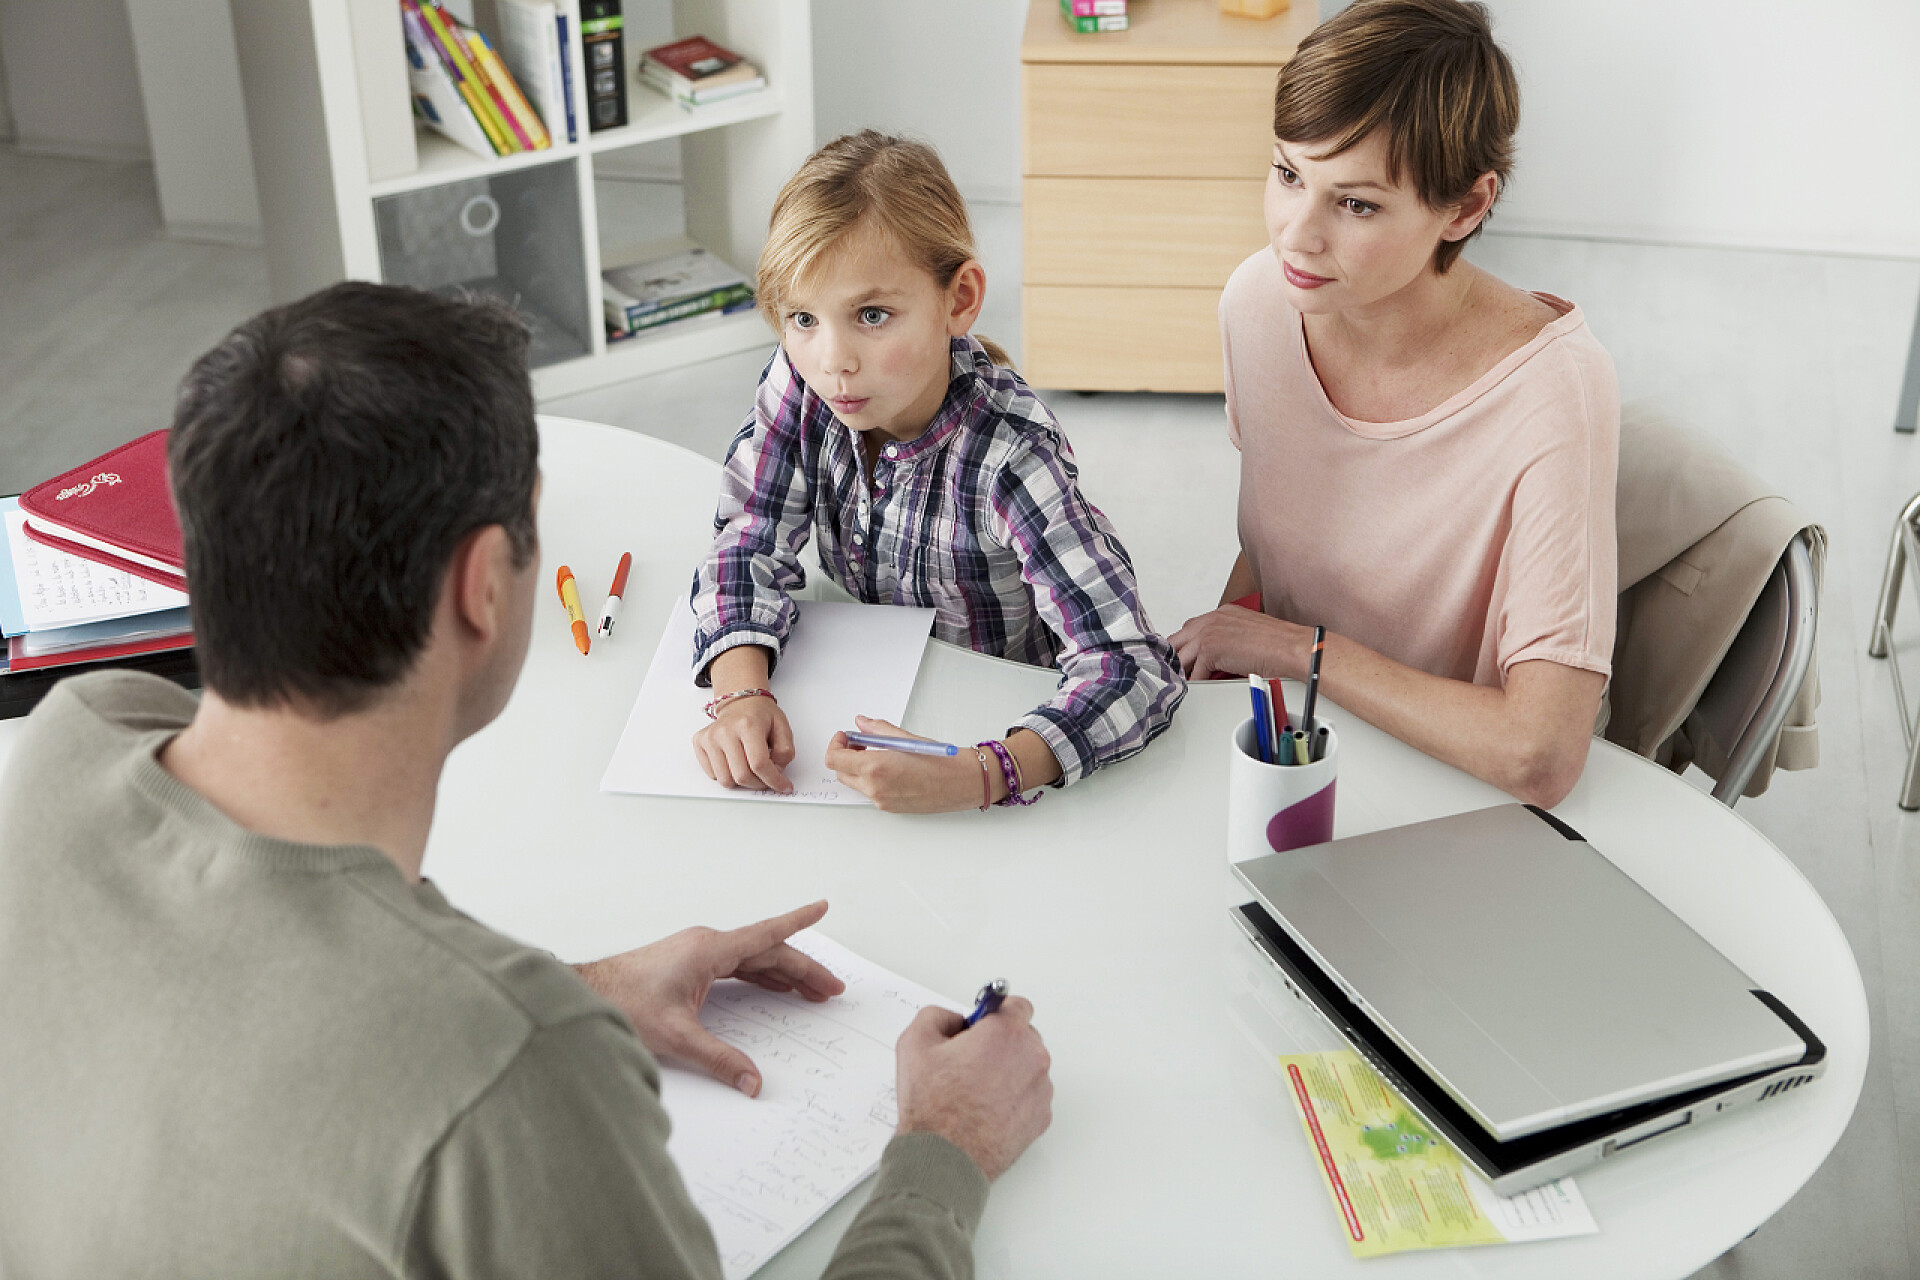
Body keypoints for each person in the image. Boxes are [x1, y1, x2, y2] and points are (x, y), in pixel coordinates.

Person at [0, 283, 1053, 1277]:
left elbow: (245, 999)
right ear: (480, 588)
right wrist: (942, 1152)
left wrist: (587, 984)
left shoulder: (74, 742)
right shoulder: (522, 1078)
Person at [1170, 0, 1618, 808]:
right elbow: (1279, 564)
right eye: (1287, 175)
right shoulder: (1259, 304)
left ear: (1467, 208)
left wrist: (1298, 651)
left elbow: (1539, 755)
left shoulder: (1556, 392)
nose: (1294, 237)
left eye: (1357, 204)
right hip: (1297, 742)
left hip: (1447, 792)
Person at [690, 131, 1186, 814]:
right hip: (874, 691)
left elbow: (1135, 668)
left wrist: (986, 774)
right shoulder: (804, 378)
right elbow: (749, 535)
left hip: (994, 720)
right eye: (802, 317)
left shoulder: (1012, 457)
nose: (833, 360)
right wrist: (741, 692)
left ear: (959, 300)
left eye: (872, 316)